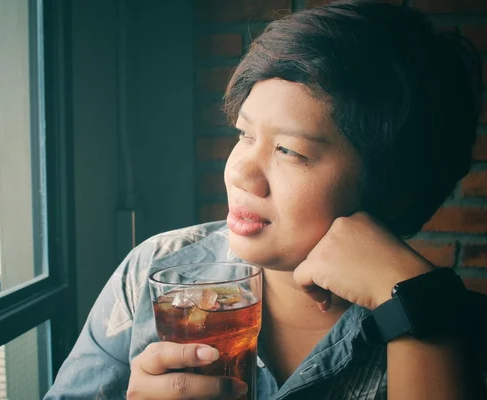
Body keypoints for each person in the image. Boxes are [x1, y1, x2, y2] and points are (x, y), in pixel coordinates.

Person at [45, 1, 487, 398]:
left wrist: (418, 307)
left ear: (393, 185)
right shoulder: (154, 269)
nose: (239, 173)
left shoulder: (459, 338)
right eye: (244, 134)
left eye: (289, 151)